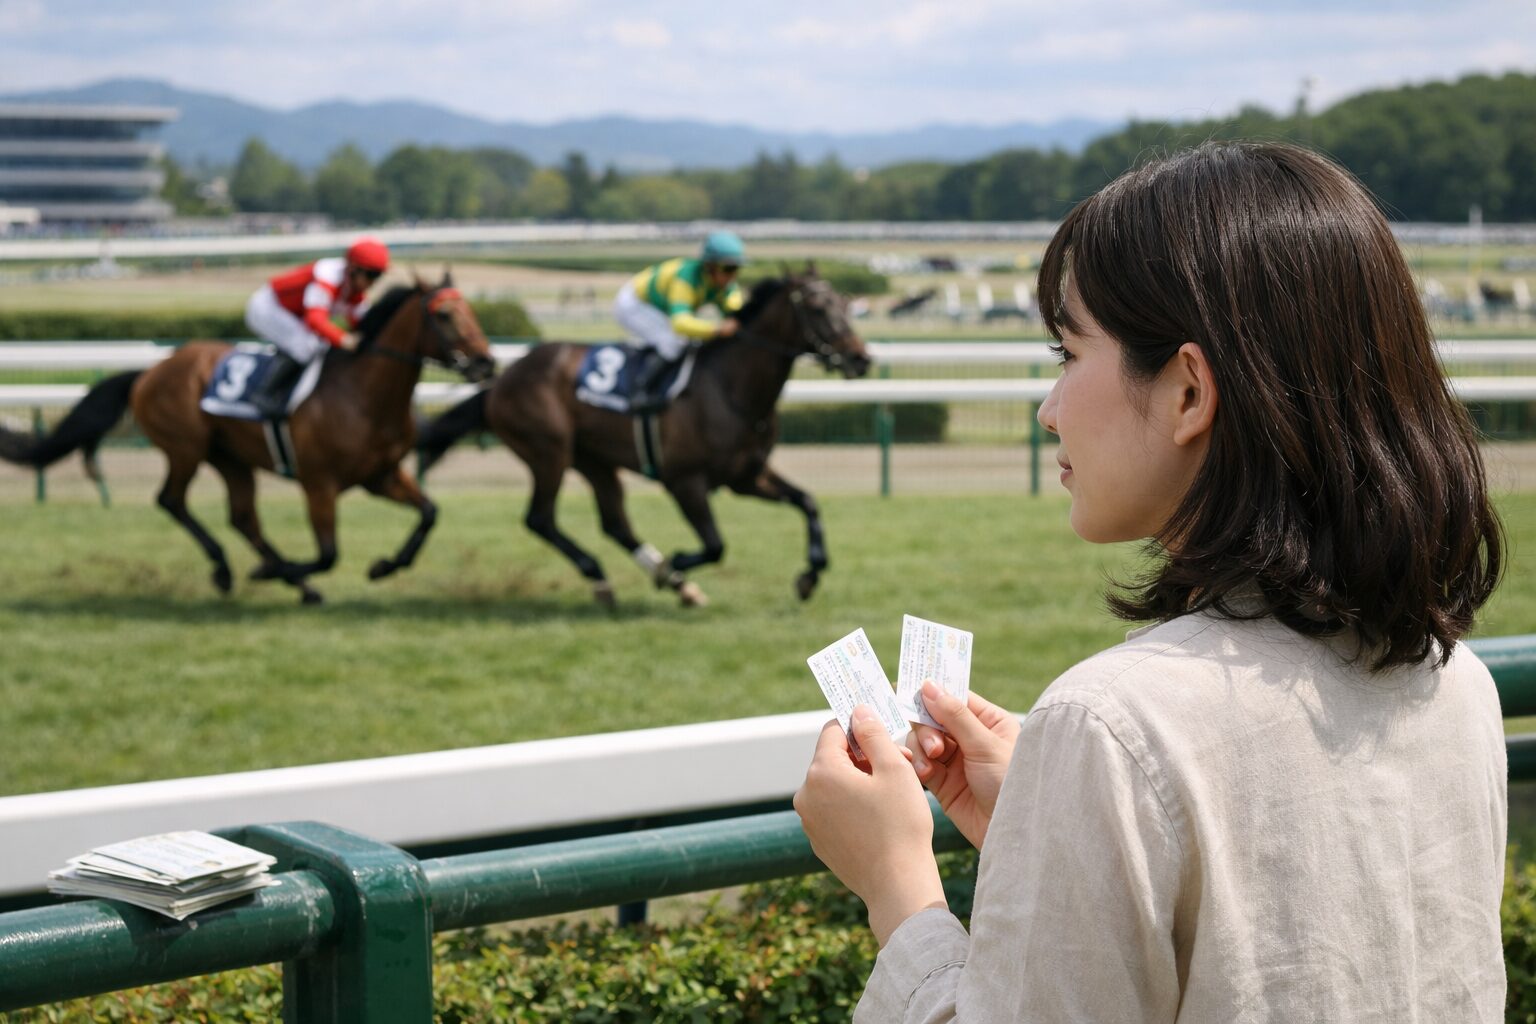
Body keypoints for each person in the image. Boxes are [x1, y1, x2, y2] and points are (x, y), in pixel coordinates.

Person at [794, 141, 1507, 1022]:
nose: (1049, 408)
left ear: (1186, 393)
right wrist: (1056, 826)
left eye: (1066, 354)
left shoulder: (1112, 724)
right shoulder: (1455, 680)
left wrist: (896, 887)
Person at [243, 237, 390, 418]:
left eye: (378, 275)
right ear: (353, 269)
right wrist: (344, 340)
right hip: (268, 307)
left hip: (294, 315)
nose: (373, 282)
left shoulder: (354, 290)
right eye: (371, 275)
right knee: (306, 346)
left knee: (317, 346)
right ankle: (263, 395)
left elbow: (364, 323)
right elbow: (315, 319)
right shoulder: (327, 275)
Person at [614, 230, 746, 413]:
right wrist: (716, 329)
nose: (733, 276)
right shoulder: (686, 278)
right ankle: (639, 391)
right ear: (710, 266)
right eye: (728, 269)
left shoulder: (724, 285)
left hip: (659, 308)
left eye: (736, 269)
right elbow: (681, 323)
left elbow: (737, 314)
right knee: (673, 341)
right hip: (634, 303)